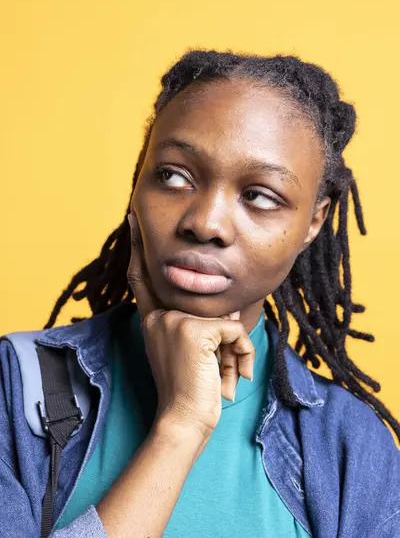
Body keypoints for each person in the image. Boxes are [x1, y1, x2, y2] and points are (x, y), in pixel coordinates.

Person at [1, 50, 399, 538]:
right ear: (137, 180)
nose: (205, 223)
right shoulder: (14, 388)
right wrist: (181, 425)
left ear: (314, 221)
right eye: (173, 176)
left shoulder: (350, 448)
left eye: (259, 196)